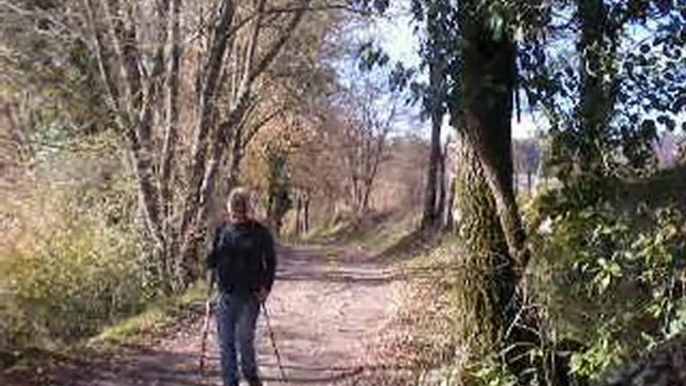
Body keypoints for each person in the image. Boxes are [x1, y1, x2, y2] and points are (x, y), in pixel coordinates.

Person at [206, 187, 277, 386]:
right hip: (225, 295)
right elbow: (212, 258)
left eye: (241, 208)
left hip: (250, 296)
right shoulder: (222, 230)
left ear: (247, 209)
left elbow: (270, 262)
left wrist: (266, 287)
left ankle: (251, 375)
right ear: (230, 209)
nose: (237, 213)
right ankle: (231, 381)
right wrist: (209, 261)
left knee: (244, 341)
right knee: (226, 342)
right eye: (234, 209)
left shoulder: (260, 233)